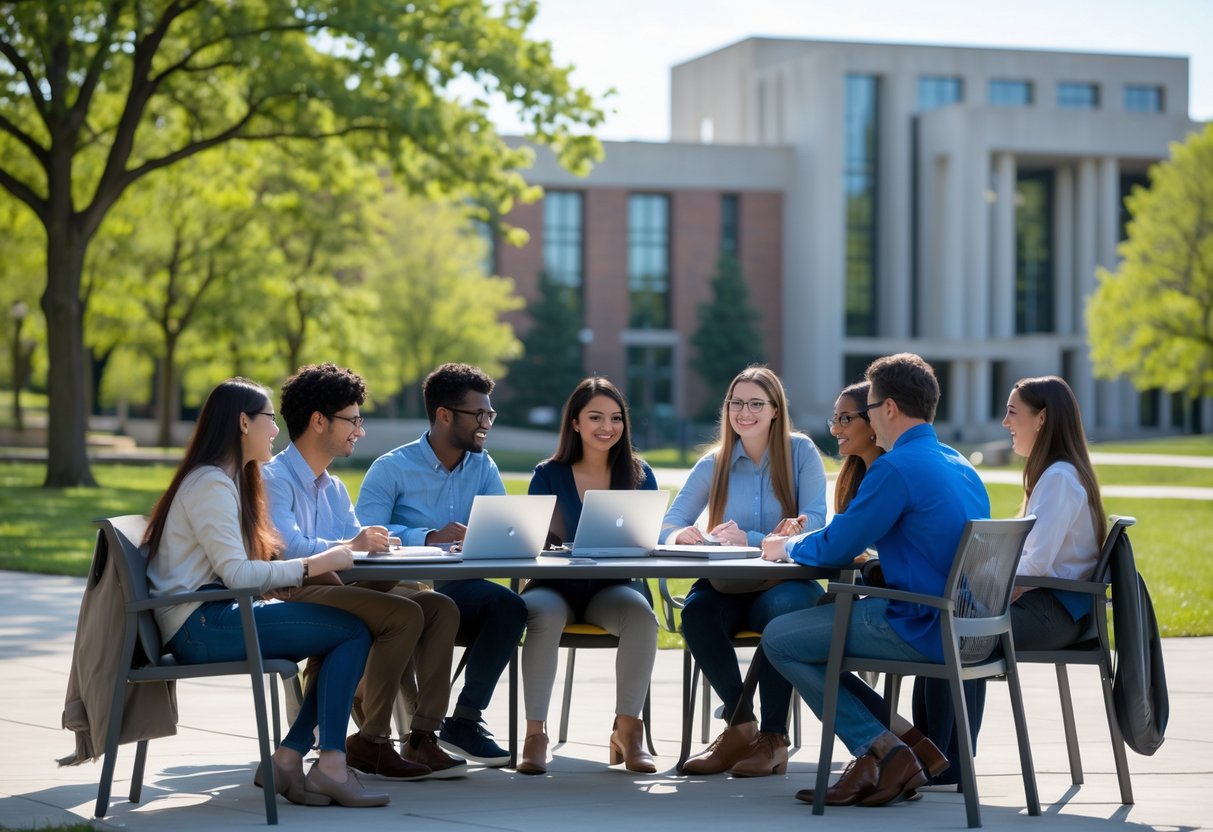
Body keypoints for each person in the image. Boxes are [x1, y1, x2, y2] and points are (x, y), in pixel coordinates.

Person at [143, 378, 388, 808]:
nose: (276, 430)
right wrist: (316, 564)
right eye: (269, 419)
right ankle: (324, 765)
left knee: (347, 631)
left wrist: (289, 575)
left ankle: (291, 759)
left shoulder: (227, 480)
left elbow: (235, 569)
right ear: (243, 422)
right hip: (201, 625)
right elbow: (237, 574)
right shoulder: (211, 484)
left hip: (214, 615)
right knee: (352, 632)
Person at [759, 353, 988, 808]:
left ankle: (884, 750)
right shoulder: (958, 462)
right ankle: (906, 746)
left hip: (919, 623)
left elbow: (836, 546)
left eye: (870, 409)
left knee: (780, 639)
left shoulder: (895, 467)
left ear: (889, 408)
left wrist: (785, 546)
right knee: (814, 642)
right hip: (971, 627)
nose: (869, 418)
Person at [263, 363, 464, 780]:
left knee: (439, 607)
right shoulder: (274, 479)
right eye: (353, 420)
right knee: (403, 613)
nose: (361, 430)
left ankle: (422, 735)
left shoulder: (333, 487)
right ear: (319, 421)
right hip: (290, 589)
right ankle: (371, 741)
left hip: (338, 584)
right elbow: (288, 549)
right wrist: (352, 546)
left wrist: (387, 545)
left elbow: (356, 546)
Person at [911, 375, 1107, 784]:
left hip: (1056, 612)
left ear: (1042, 419)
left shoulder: (1059, 478)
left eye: (1013, 412)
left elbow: (1035, 565)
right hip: (1055, 608)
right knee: (951, 628)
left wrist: (979, 577)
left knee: (950, 634)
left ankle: (942, 762)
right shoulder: (1056, 474)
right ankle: (940, 758)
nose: (1005, 423)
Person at [356, 362, 528, 767]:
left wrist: (491, 535)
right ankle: (410, 734)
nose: (486, 424)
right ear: (444, 415)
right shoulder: (391, 468)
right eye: (478, 415)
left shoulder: (484, 466)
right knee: (431, 607)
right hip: (401, 591)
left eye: (490, 414)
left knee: (510, 606)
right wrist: (428, 537)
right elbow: (364, 533)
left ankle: (464, 721)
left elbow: (503, 527)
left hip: (460, 588)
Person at [662, 366, 828, 777]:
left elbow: (817, 522)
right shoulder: (713, 463)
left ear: (775, 410)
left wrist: (750, 538)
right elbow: (669, 524)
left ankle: (773, 738)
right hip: (728, 585)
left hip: (786, 585)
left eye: (756, 403)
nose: (744, 412)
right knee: (696, 613)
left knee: (783, 614)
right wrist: (685, 534)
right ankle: (740, 725)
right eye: (736, 403)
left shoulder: (801, 452)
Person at [520, 377, 660, 775]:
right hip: (553, 588)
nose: (607, 426)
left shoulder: (640, 475)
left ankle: (628, 731)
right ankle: (534, 735)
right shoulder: (548, 474)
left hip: (611, 589)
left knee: (641, 617)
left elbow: (648, 541)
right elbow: (532, 543)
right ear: (575, 423)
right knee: (541, 616)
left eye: (615, 418)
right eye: (595, 417)